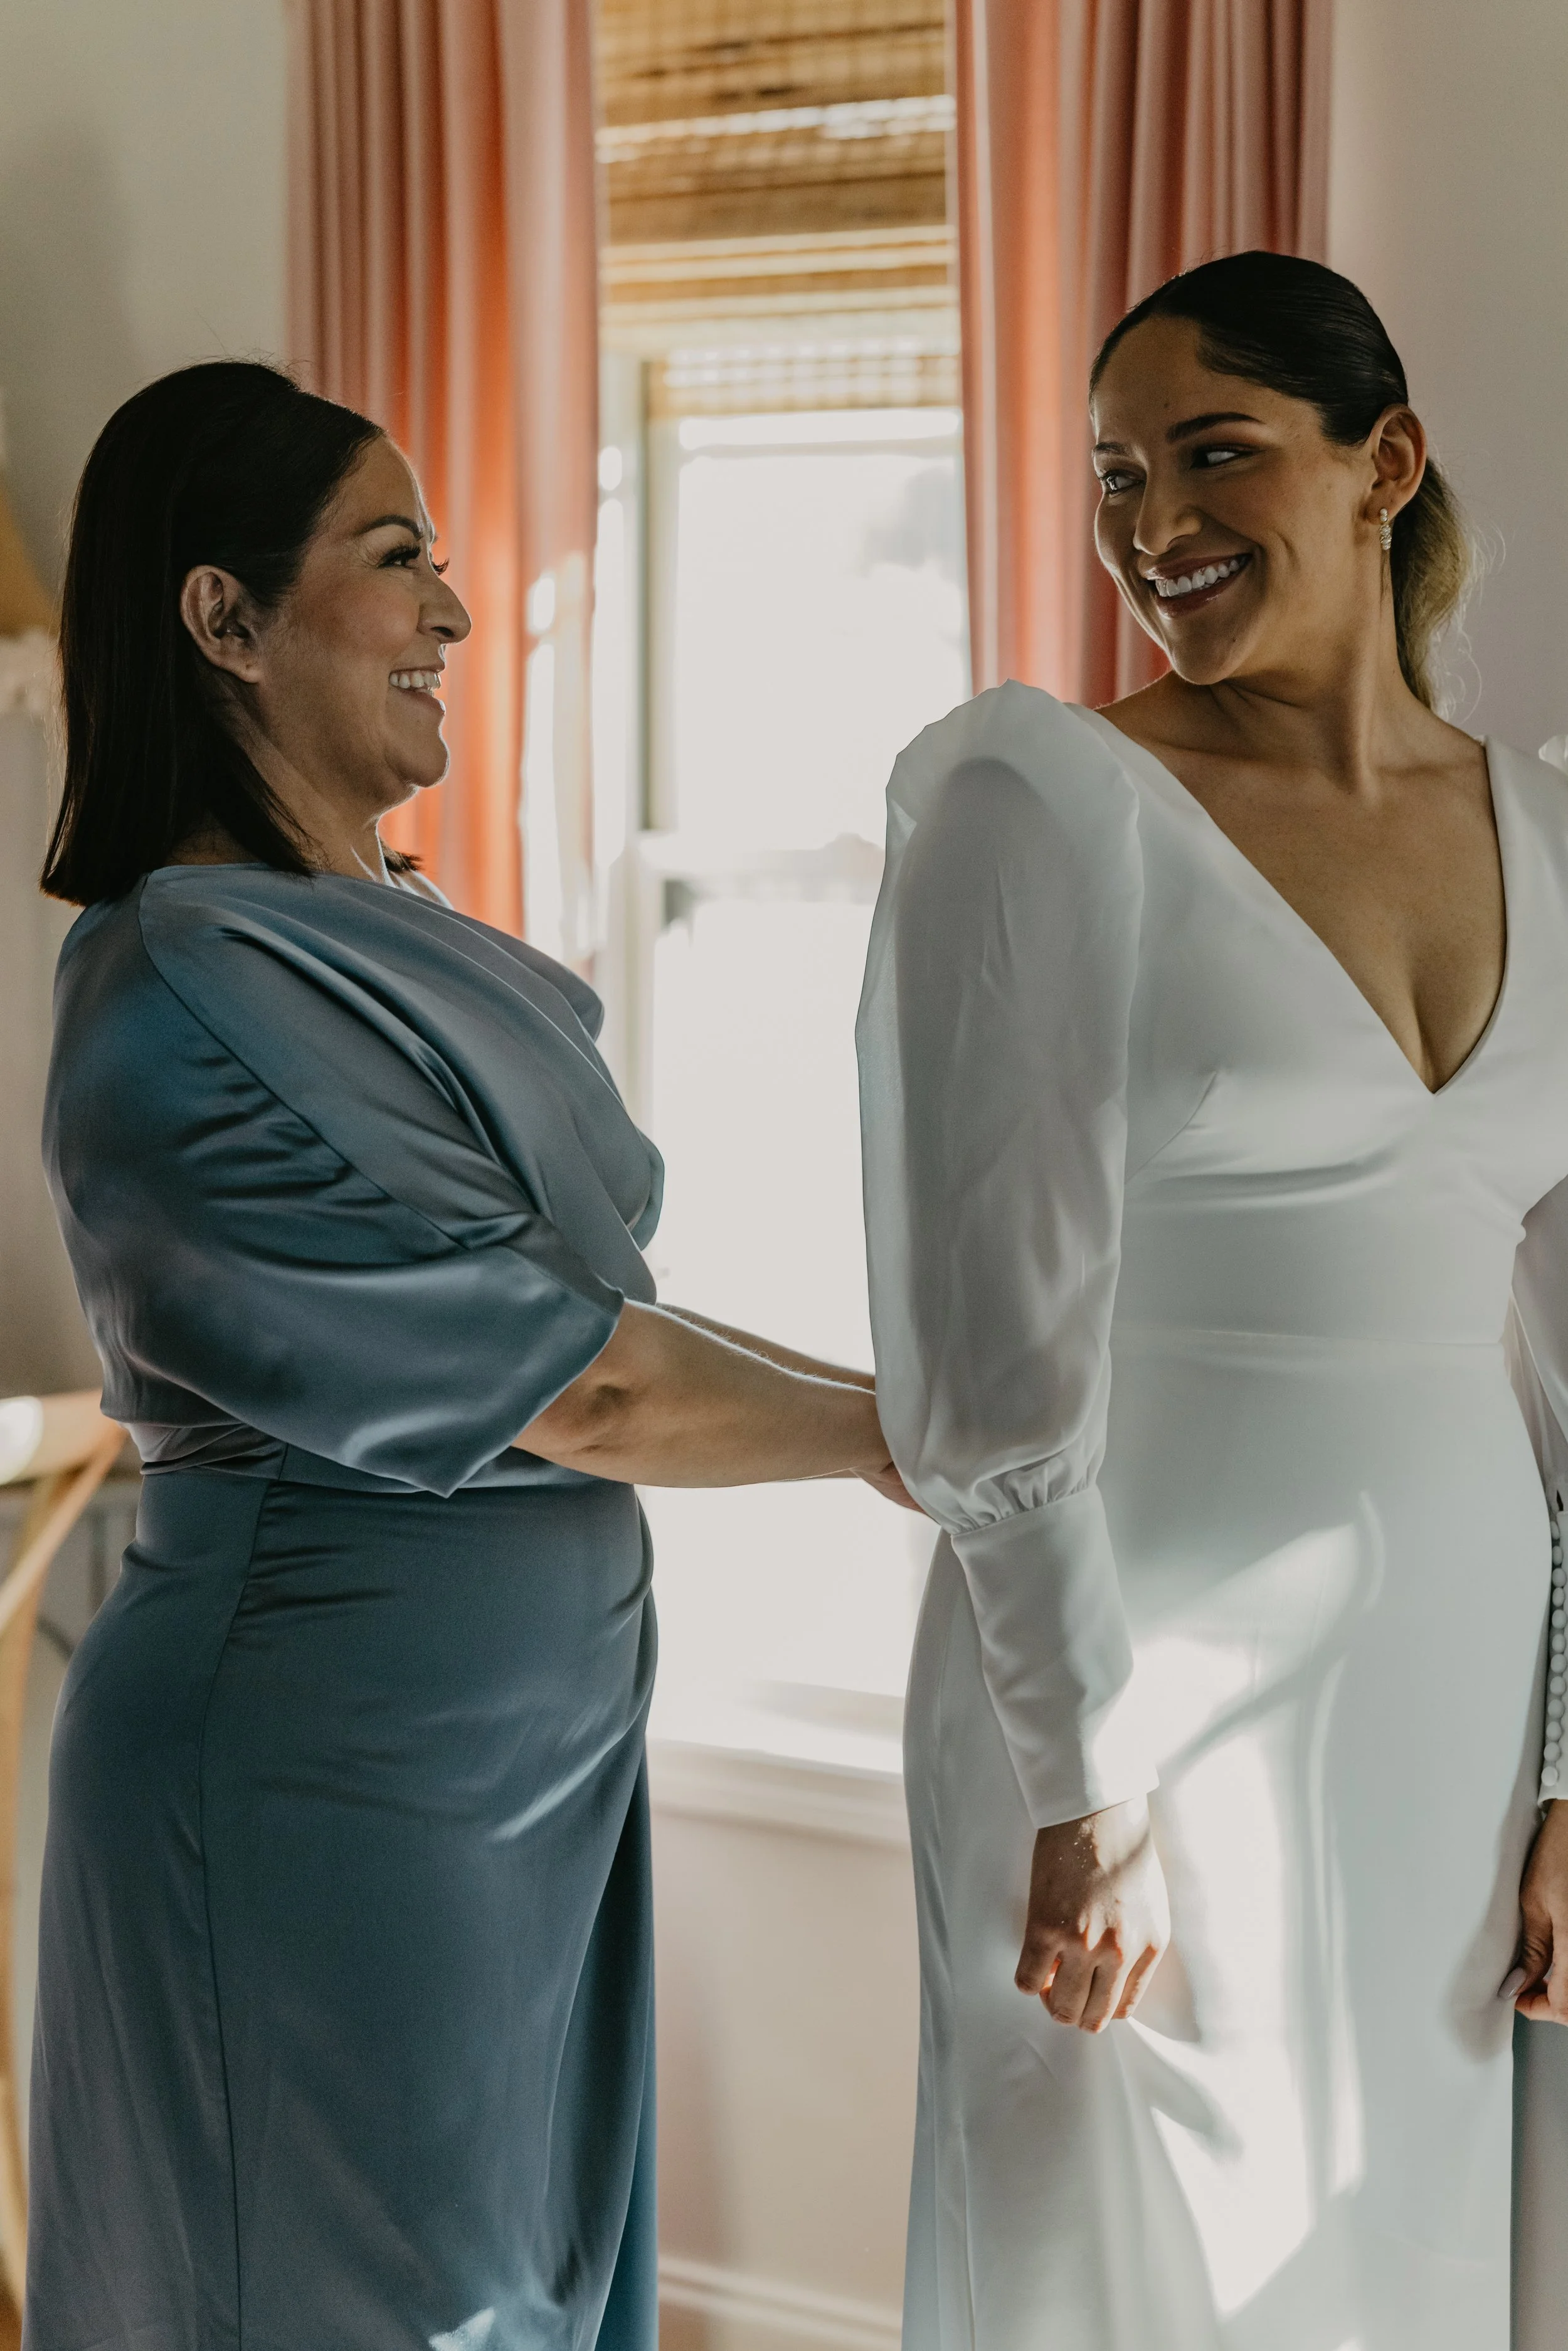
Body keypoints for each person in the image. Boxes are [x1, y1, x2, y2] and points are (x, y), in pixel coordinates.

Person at [30, 359, 912, 2351]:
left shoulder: (374, 920)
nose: (449, 608)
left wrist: (897, 1393)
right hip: (320, 1764)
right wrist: (906, 1431)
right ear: (223, 619)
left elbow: (610, 1316)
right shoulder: (185, 987)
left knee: (522, 2294)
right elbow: (576, 1382)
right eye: (397, 556)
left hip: (516, 1765)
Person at [857, 251, 1568, 2350]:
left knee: (1391, 2263)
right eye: (1113, 474)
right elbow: (985, 1346)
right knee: (1117, 2279)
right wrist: (1085, 1786)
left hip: (1445, 1702)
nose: (1152, 521)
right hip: (1120, 1701)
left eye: (1214, 453)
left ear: (1388, 466)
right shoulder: (1043, 801)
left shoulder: (1548, 828)